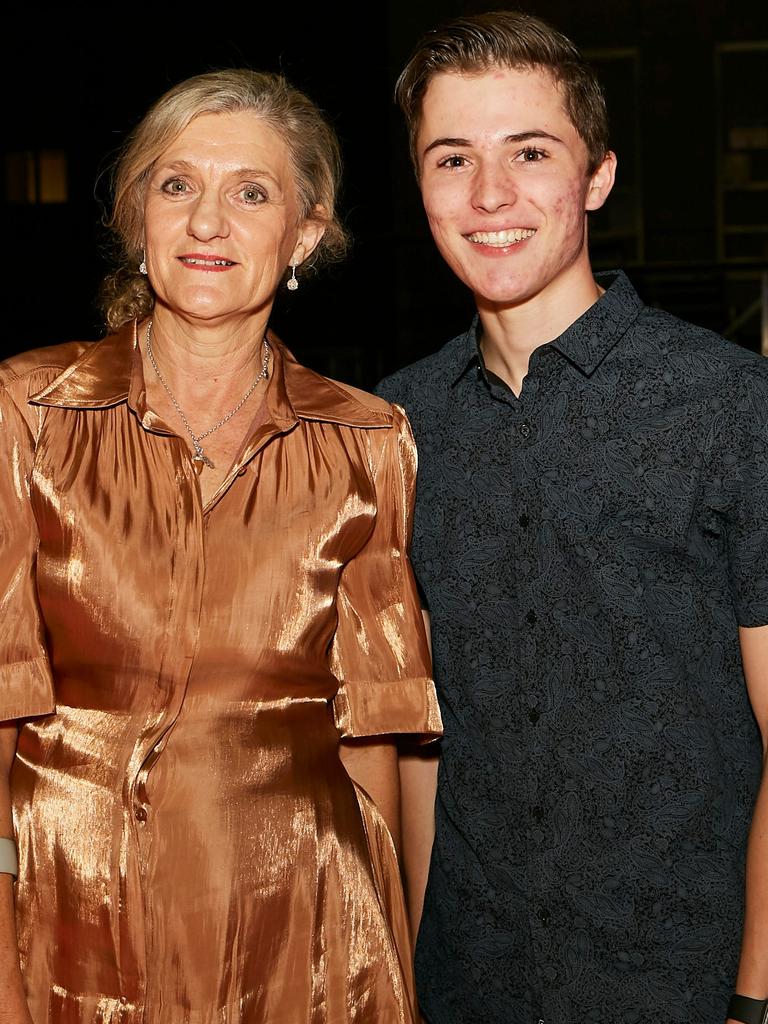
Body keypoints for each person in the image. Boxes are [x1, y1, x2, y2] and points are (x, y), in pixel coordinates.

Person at [0, 69, 441, 1024]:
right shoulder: (26, 410)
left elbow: (374, 730)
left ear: (304, 237)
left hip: (303, 926)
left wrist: (388, 959)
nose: (208, 221)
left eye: (251, 192)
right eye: (176, 185)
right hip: (68, 911)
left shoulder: (368, 440)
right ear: (136, 218)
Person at [377, 11, 768, 1024]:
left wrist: (753, 998)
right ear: (420, 187)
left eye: (530, 152)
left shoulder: (732, 406)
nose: (491, 195)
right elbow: (419, 744)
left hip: (682, 987)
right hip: (469, 985)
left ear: (595, 177)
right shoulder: (392, 427)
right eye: (453, 157)